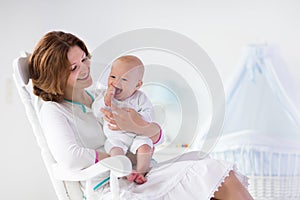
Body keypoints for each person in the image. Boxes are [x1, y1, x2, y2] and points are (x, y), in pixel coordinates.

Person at [28, 30, 253, 200]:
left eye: (85, 58)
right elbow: (71, 158)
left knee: (206, 163)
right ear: (54, 74)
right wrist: (122, 161)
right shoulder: (54, 110)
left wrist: (139, 127)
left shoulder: (101, 96)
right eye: (73, 67)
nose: (86, 68)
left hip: (138, 173)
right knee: (210, 173)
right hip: (112, 185)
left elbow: (157, 135)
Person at [92, 55, 159, 184]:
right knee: (115, 152)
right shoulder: (105, 96)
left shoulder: (140, 98)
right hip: (115, 137)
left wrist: (136, 119)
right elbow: (96, 112)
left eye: (123, 79)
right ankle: (126, 174)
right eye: (113, 77)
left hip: (136, 136)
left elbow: (149, 118)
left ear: (137, 85)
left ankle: (141, 172)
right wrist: (104, 102)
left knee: (146, 146)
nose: (116, 82)